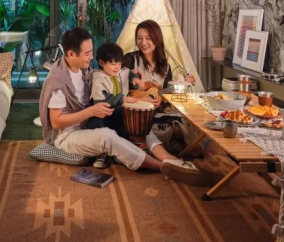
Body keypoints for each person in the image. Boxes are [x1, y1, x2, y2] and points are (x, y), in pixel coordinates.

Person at [39, 27, 206, 184]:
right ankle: (162, 166)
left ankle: (169, 158)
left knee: (132, 120)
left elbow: (106, 76)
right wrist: (91, 111)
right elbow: (56, 122)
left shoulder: (83, 70)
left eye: (91, 52)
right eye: (87, 53)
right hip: (67, 136)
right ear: (71, 54)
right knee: (107, 136)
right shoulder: (58, 82)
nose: (91, 57)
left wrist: (133, 77)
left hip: (86, 125)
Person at [123, 19, 205, 157]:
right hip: (135, 114)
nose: (143, 42)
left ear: (157, 39)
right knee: (150, 131)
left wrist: (166, 94)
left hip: (156, 112)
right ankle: (170, 148)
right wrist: (142, 99)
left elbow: (163, 93)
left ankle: (178, 148)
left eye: (148, 38)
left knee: (191, 121)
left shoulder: (165, 66)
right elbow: (120, 91)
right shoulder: (130, 59)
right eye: (139, 38)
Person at [85, 42, 137, 168]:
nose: (117, 67)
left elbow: (127, 74)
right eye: (113, 64)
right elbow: (103, 100)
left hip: (116, 112)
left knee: (124, 119)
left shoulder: (119, 73)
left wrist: (135, 78)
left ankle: (122, 150)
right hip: (103, 114)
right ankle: (101, 154)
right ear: (102, 63)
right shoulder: (99, 78)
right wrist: (123, 99)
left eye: (119, 63)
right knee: (97, 122)